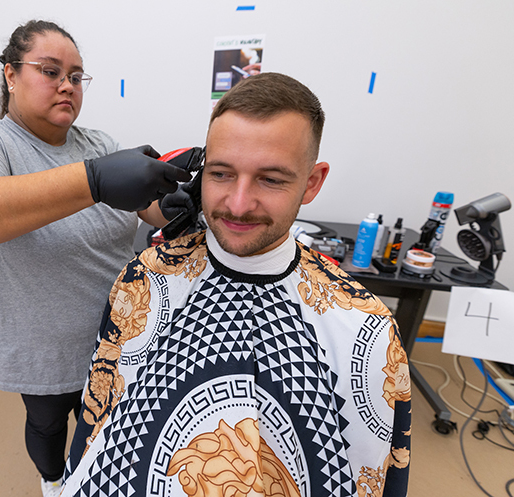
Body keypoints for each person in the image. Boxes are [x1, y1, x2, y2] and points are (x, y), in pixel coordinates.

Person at [62, 73, 411, 497]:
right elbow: (97, 424)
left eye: (271, 179)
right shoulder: (145, 281)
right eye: (222, 174)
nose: (239, 204)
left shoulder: (365, 328)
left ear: (312, 182)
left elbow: (375, 471)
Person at [0, 20, 191, 497]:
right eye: (50, 71)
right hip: (43, 346)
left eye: (76, 76)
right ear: (11, 74)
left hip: (119, 336)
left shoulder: (98, 144)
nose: (67, 86)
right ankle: (52, 481)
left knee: (110, 430)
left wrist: (174, 203)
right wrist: (91, 181)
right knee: (50, 425)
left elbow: (146, 208)